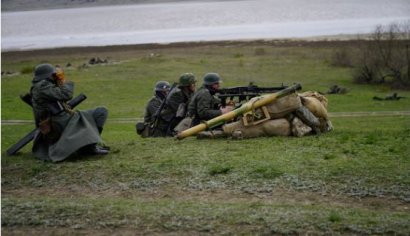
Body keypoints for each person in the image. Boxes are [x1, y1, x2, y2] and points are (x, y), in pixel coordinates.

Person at [30, 64, 109, 162]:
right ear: (48, 75)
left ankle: (89, 146)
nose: (56, 76)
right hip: (58, 123)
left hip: (61, 119)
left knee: (101, 111)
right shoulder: (42, 86)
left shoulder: (43, 85)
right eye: (54, 74)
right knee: (100, 112)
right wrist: (64, 82)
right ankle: (89, 148)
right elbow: (66, 94)